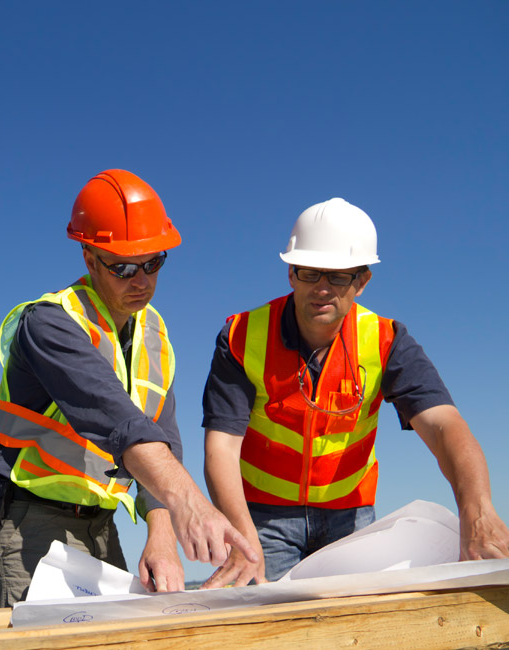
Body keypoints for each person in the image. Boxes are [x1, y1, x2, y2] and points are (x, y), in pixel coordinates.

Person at [0, 169, 257, 608]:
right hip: (26, 515)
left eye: (153, 262)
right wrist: (191, 504)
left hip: (99, 522)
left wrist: (161, 531)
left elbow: (161, 436)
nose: (141, 280)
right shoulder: (51, 323)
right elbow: (121, 424)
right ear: (90, 259)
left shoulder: (154, 333)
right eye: (124, 266)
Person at [201, 197, 509, 587]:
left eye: (339, 276)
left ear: (362, 282)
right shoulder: (242, 336)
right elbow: (221, 448)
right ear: (291, 273)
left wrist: (477, 511)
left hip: (350, 516)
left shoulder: (386, 341)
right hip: (262, 516)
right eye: (311, 273)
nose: (322, 289)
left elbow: (445, 426)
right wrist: (243, 539)